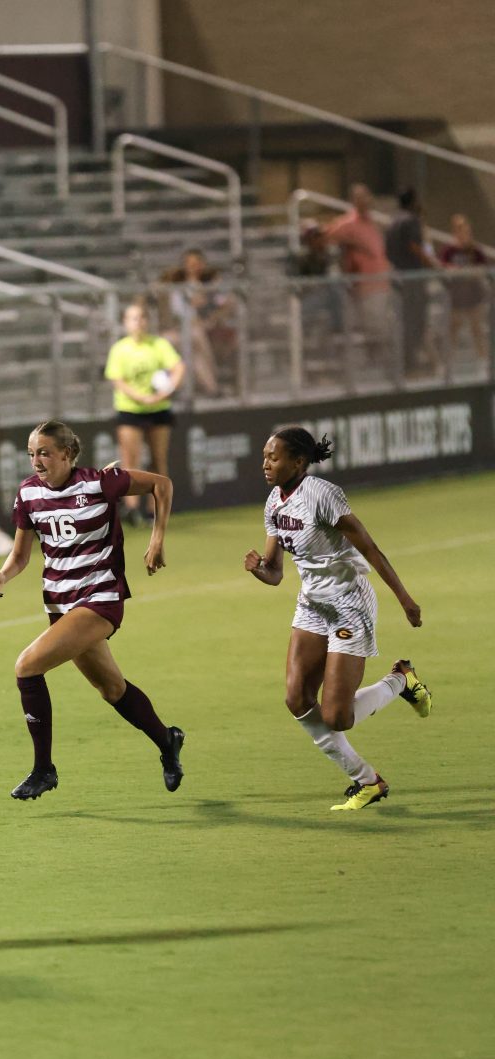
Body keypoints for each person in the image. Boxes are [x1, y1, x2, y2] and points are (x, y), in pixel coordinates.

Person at [0, 418, 184, 800]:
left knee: (27, 667)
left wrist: (157, 538)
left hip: (99, 598)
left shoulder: (99, 482)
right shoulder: (28, 494)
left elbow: (162, 484)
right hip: (61, 605)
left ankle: (43, 770)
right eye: (31, 454)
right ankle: (167, 740)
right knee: (111, 689)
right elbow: (20, 555)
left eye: (44, 452)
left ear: (67, 453)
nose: (36, 461)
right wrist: (3, 578)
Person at [243, 426, 433, 812]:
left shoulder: (322, 495)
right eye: (264, 456)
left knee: (336, 717)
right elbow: (276, 573)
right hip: (312, 604)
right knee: (296, 699)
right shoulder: (274, 503)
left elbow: (370, 547)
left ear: (298, 462)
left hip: (349, 603)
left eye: (273, 457)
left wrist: (404, 598)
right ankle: (366, 780)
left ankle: (401, 680)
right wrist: (257, 570)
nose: (265, 463)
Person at [104, 301, 185, 527]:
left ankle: (155, 511)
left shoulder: (158, 344)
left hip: (158, 410)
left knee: (158, 460)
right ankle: (131, 510)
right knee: (131, 461)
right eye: (133, 318)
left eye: (141, 317)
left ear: (147, 321)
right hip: (130, 410)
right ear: (125, 322)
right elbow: (117, 380)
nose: (138, 322)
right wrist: (141, 398)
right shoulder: (120, 348)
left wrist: (165, 391)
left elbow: (179, 368)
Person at [323, 183, 392, 365]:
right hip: (364, 284)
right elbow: (325, 236)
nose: (365, 201)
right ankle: (374, 361)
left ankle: (379, 361)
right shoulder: (348, 223)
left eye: (367, 196)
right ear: (354, 201)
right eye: (360, 197)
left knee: (381, 326)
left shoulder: (372, 222)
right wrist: (352, 243)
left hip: (381, 282)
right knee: (372, 326)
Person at [159, 248, 235, 397]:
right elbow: (168, 306)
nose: (193, 267)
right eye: (189, 263)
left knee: (195, 337)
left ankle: (203, 387)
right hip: (178, 328)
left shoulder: (210, 284)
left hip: (203, 326)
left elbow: (227, 304)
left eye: (197, 263)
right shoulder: (175, 283)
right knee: (167, 340)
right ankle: (211, 387)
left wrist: (208, 310)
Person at [384, 188, 436, 372]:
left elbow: (388, 253)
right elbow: (414, 246)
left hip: (398, 278)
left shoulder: (393, 222)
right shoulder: (410, 221)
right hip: (413, 279)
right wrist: (432, 264)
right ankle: (410, 365)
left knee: (403, 322)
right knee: (415, 322)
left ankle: (406, 364)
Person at [439, 214, 489, 360]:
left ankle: (483, 361)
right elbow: (441, 267)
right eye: (460, 231)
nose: (464, 235)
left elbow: (483, 268)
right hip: (456, 299)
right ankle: (448, 363)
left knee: (477, 331)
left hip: (473, 298)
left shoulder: (475, 250)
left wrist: (471, 273)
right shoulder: (449, 250)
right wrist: (454, 271)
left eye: (466, 231)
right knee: (452, 331)